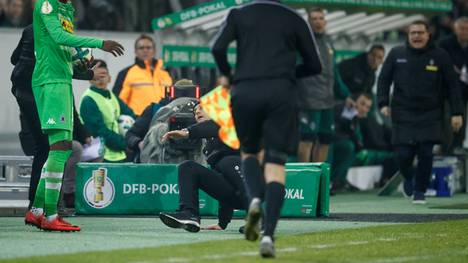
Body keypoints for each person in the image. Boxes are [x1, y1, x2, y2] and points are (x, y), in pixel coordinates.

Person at [211, 0, 322, 258]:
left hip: (245, 90)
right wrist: (288, 73)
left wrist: (228, 74)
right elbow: (315, 65)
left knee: (250, 153)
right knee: (275, 165)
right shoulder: (294, 19)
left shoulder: (238, 14)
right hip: (281, 92)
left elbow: (217, 47)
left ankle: (253, 201)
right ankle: (268, 233)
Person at [24, 0, 124, 232]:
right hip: (50, 81)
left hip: (62, 81)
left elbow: (61, 48)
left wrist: (79, 61)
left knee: (63, 148)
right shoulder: (46, 4)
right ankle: (50, 215)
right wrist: (99, 43)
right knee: (60, 148)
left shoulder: (66, 8)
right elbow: (58, 36)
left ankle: (37, 210)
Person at [10, 24, 102, 220]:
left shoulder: (31, 29)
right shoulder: (56, 33)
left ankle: (40, 208)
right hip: (35, 93)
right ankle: (42, 208)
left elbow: (13, 59)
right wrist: (86, 72)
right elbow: (58, 66)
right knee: (49, 149)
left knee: (48, 149)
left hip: (26, 92)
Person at [377, 20, 463, 205]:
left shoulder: (440, 55)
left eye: (420, 33)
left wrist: (457, 112)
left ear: (428, 35)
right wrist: (383, 103)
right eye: (413, 33)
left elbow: (452, 86)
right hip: (402, 112)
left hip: (430, 114)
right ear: (408, 35)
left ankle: (419, 191)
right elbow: (383, 80)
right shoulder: (396, 53)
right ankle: (409, 178)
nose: (416, 36)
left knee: (426, 153)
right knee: (403, 155)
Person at [158, 104, 247, 233]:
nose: (197, 112)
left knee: (227, 162)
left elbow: (214, 126)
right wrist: (222, 223)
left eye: (202, 108)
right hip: (236, 195)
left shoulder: (229, 124)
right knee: (188, 167)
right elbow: (225, 179)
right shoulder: (209, 146)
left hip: (255, 187)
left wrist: (186, 132)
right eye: (195, 111)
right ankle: (189, 214)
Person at [297, 7, 351, 163]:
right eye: (314, 19)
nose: (318, 22)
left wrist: (345, 94)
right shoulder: (302, 41)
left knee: (326, 139)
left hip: (328, 101)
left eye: (321, 18)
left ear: (325, 22)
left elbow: (334, 72)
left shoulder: (329, 42)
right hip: (309, 100)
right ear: (308, 22)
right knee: (307, 139)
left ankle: (319, 179)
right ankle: (304, 179)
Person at [328, 93, 395, 193]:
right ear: (353, 102)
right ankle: (337, 181)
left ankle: (341, 181)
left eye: (367, 107)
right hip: (333, 147)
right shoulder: (341, 110)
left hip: (352, 151)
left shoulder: (359, 119)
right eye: (362, 104)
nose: (364, 109)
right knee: (348, 147)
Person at [80, 59, 136, 163]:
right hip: (99, 156)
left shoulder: (112, 96)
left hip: (118, 155)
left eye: (103, 75)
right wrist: (124, 144)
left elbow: (131, 115)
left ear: (110, 78)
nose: (100, 79)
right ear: (90, 79)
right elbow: (98, 131)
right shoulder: (88, 100)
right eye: (96, 76)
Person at [113, 34, 173, 116]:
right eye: (141, 48)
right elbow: (116, 101)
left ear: (154, 51)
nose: (145, 50)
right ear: (135, 51)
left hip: (163, 120)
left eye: (148, 48)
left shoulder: (166, 73)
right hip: (137, 121)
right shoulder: (125, 73)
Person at [439, 17, 468, 153]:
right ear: (455, 29)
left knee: (462, 120)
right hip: (447, 91)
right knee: (448, 120)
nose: (465, 32)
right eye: (462, 28)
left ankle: (458, 147)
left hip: (464, 91)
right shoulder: (445, 44)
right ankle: (446, 149)